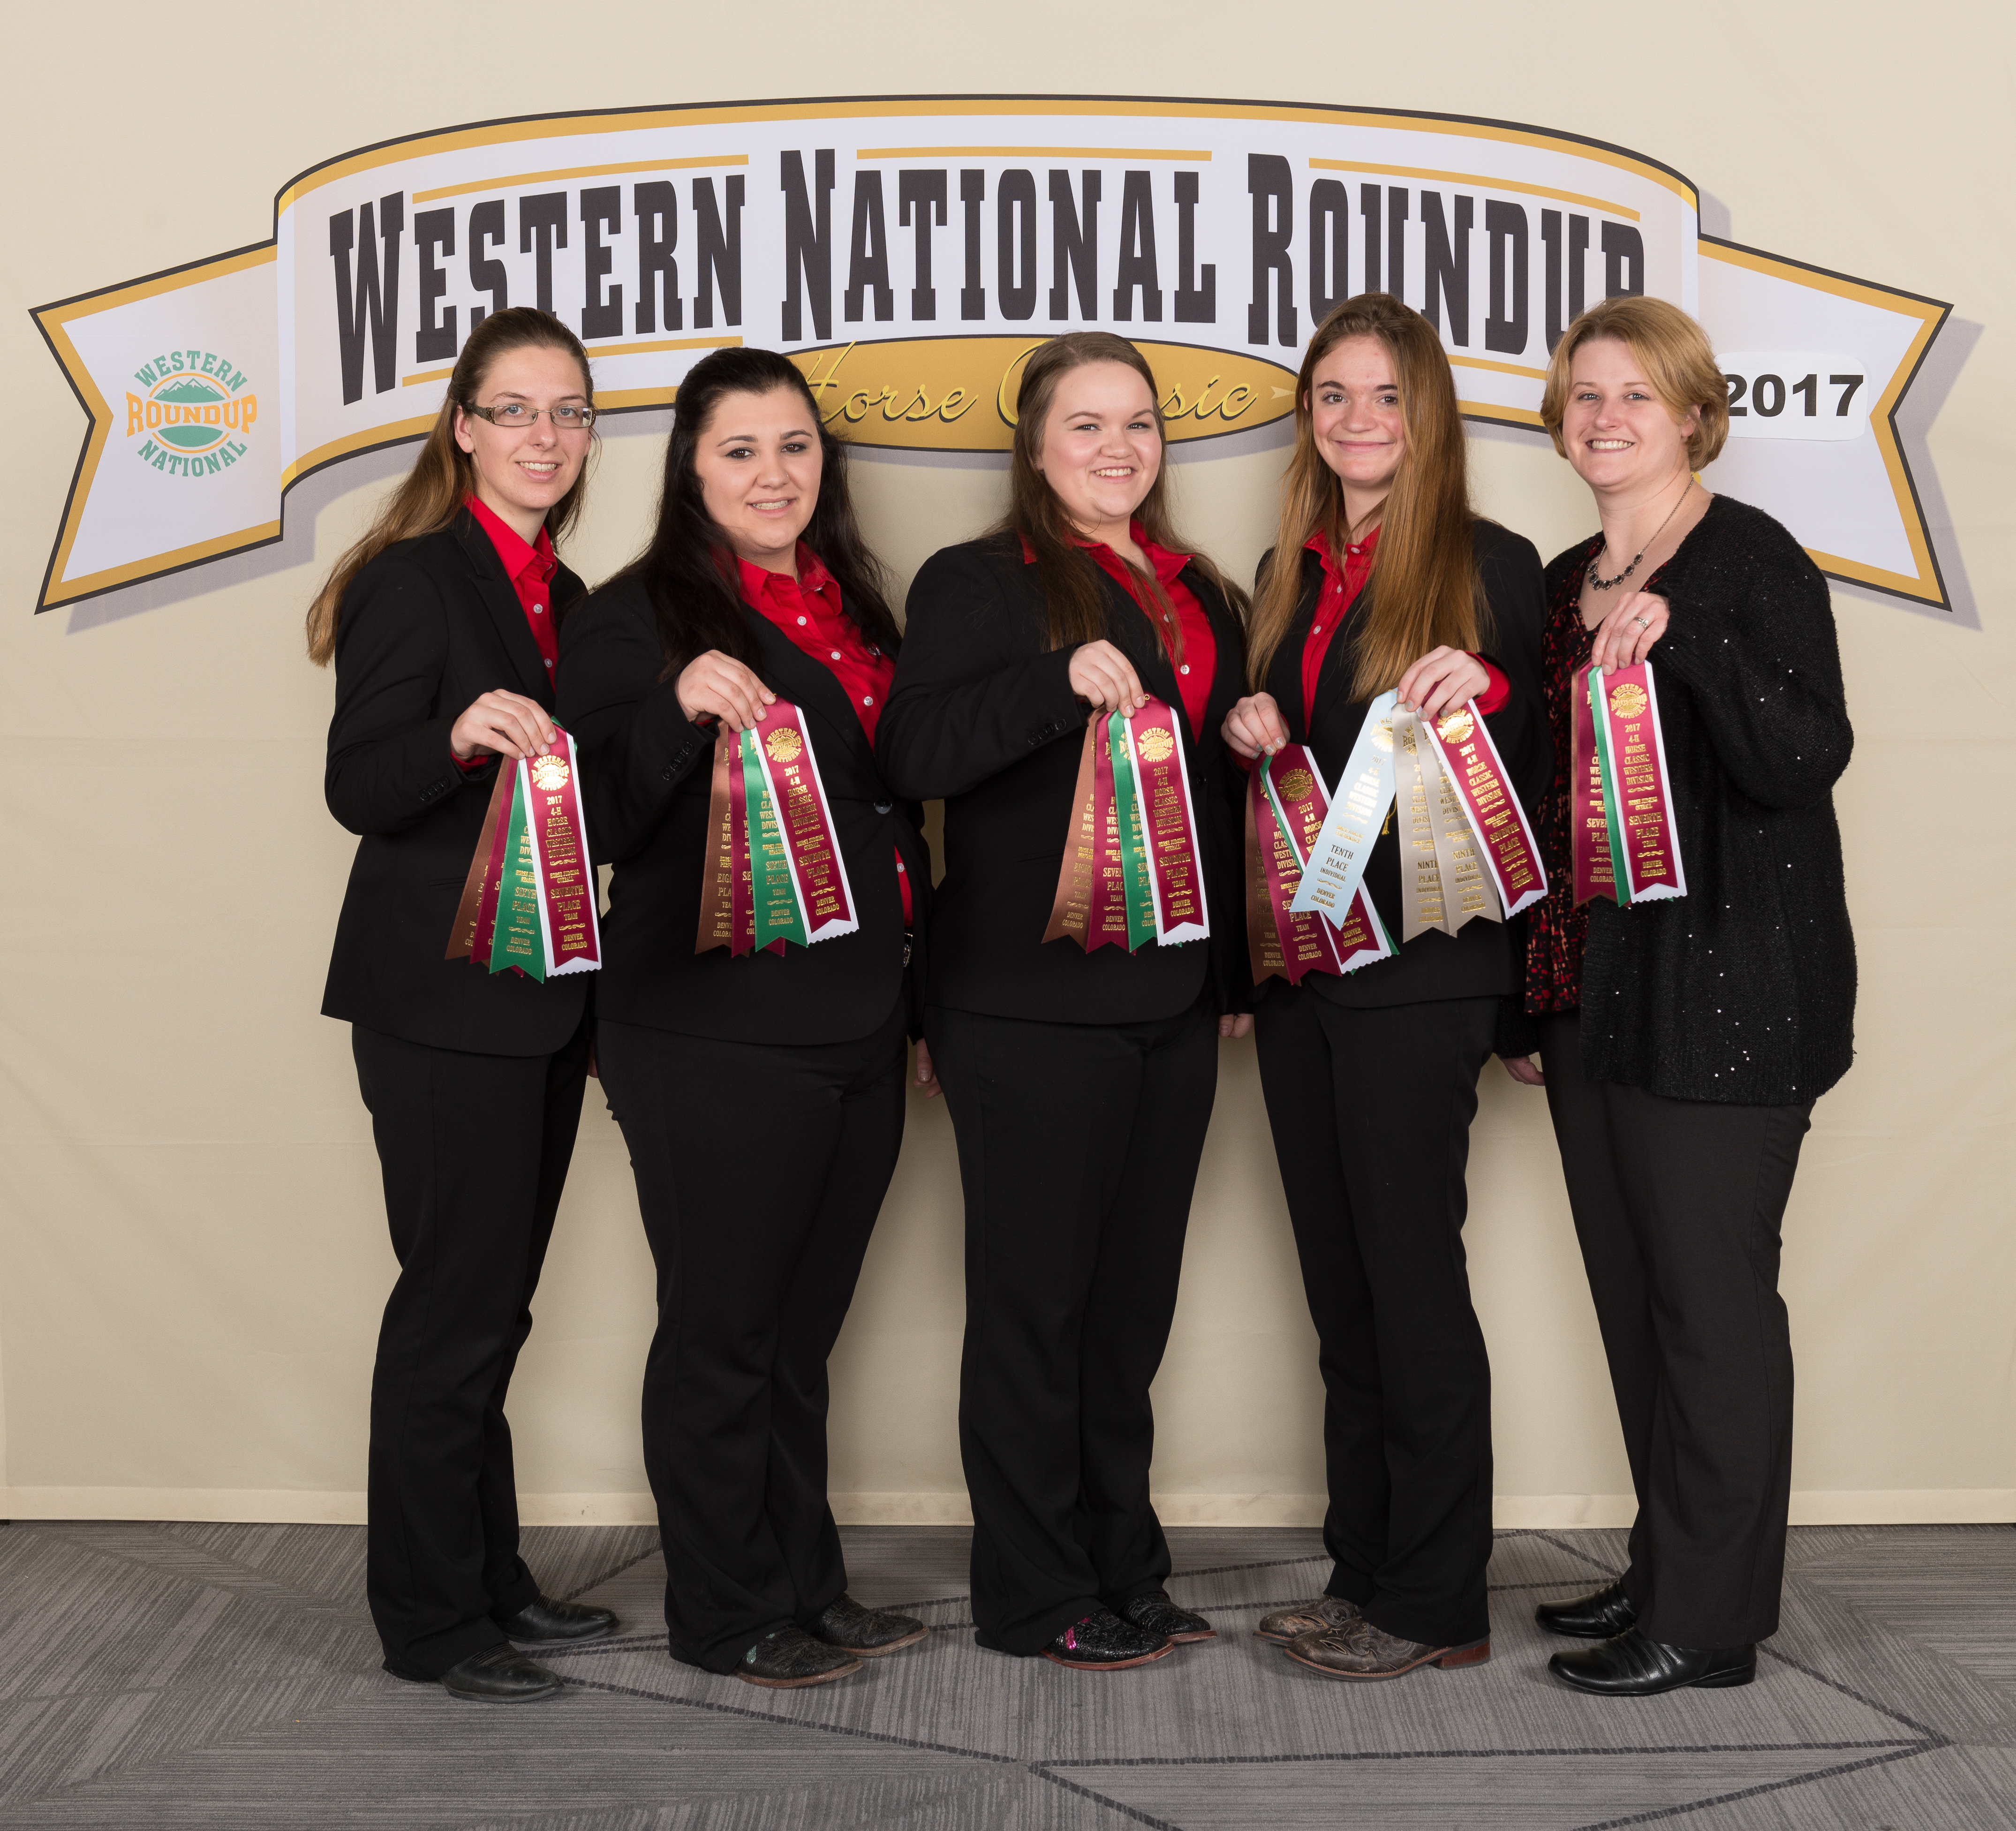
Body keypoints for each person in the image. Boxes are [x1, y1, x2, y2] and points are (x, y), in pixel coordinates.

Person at [557, 348, 931, 1690]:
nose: (773, 475)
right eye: (739, 451)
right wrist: (672, 708)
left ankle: (805, 1586)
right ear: (689, 469)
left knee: (797, 1333)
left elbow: (893, 820)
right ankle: (724, 1611)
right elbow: (588, 814)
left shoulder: (854, 608)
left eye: (793, 447)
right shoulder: (631, 616)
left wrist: (919, 1001)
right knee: (722, 1330)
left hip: (856, 1018)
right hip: (708, 1029)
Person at [878, 331, 1250, 1672]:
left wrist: (1228, 973)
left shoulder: (1200, 591)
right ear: (1032, 448)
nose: (1116, 448)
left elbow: (1205, 804)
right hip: (1023, 1003)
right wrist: (1052, 685)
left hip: (1170, 995)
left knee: (1127, 1310)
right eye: (1084, 426)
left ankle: (1122, 1563)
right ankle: (1033, 1592)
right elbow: (911, 749)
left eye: (1138, 424)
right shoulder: (977, 582)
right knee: (1034, 1307)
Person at [1507, 295, 1855, 1696]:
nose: (1603, 420)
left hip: (1729, 997)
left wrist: (1692, 646)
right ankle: (1667, 1563)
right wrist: (1520, 1003)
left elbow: (1804, 756)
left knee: (1711, 1311)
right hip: (1596, 993)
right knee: (1633, 1298)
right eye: (1583, 397)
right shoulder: (1552, 580)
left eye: (1633, 398)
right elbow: (1534, 806)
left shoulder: (1751, 561)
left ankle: (1707, 1625)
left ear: (1691, 416)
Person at [1220, 293, 1550, 1682]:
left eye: (1386, 396)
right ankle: (1364, 1568)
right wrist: (1248, 720)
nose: (1357, 421)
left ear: (1429, 418)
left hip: (1421, 977)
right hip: (1304, 970)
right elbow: (1289, 778)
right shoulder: (1287, 568)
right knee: (1340, 1286)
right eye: (1332, 396)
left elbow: (1546, 785)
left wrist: (1496, 685)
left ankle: (1434, 1602)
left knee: (1409, 1281)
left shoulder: (1492, 562)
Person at [312, 307, 614, 1703]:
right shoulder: (415, 579)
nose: (545, 437)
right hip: (439, 1005)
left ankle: (489, 1580)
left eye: (568, 413)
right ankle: (431, 1620)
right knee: (453, 1307)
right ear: (464, 427)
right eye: (517, 411)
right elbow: (358, 786)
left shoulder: (567, 590)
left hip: (543, 996)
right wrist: (451, 733)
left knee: (494, 1308)